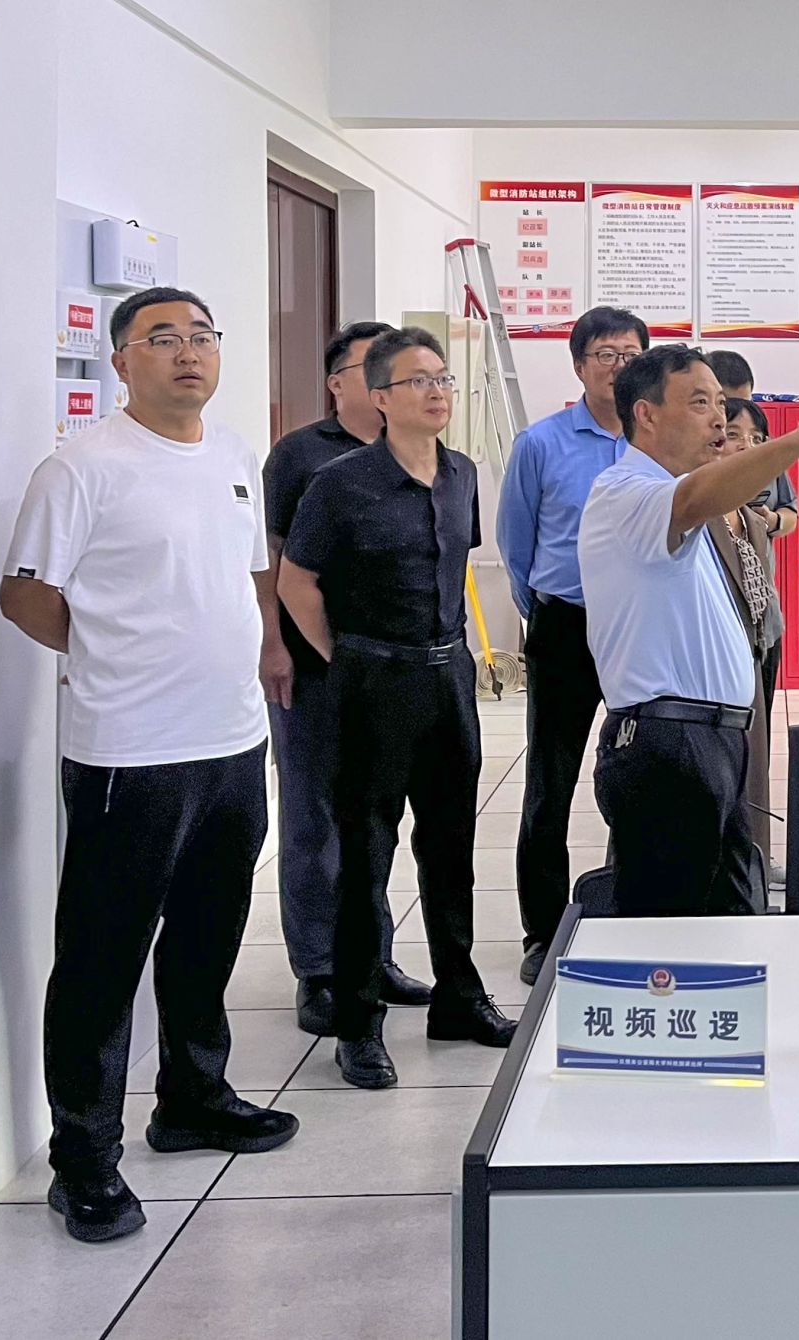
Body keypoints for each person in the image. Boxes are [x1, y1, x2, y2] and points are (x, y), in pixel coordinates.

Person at [0, 286, 297, 1243]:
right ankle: (84, 1159)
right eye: (162, 339)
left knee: (209, 934)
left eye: (201, 336)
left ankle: (193, 1097)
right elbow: (24, 595)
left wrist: (265, 646)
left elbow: (250, 574)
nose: (187, 353)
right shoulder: (82, 467)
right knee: (102, 957)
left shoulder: (235, 456)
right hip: (130, 750)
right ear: (122, 361)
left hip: (232, 741)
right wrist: (109, 652)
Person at [577, 346, 799, 916]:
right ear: (646, 414)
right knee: (673, 934)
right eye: (700, 403)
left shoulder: (682, 500)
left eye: (721, 405)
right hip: (668, 743)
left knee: (727, 917)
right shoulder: (625, 491)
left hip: (712, 740)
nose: (719, 421)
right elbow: (697, 497)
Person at [279, 327, 515, 1090]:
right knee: (364, 857)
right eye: (419, 381)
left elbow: (453, 566)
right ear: (380, 398)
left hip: (447, 679)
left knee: (450, 852)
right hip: (370, 682)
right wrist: (343, 656)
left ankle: (460, 998)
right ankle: (357, 1022)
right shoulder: (340, 483)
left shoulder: (461, 473)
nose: (438, 392)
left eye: (442, 379)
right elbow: (296, 581)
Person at [262, 320, 432, 1035]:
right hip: (313, 666)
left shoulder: (414, 453)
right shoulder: (299, 455)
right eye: (375, 366)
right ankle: (318, 971)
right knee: (313, 819)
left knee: (372, 822)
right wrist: (274, 644)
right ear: (339, 384)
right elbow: (272, 559)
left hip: (390, 671)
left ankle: (371, 957)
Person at [496, 306, 643, 986]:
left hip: (640, 628)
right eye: (605, 354)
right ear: (579, 365)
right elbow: (515, 543)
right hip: (565, 628)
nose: (619, 366)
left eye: (630, 354)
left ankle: (629, 907)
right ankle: (543, 932)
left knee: (640, 775)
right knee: (549, 785)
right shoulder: (542, 443)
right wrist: (546, 613)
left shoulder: (657, 441)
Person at [708, 398, 787, 871]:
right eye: (734, 435)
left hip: (759, 646)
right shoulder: (697, 511)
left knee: (755, 758)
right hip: (715, 660)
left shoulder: (751, 516)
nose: (746, 446)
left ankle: (751, 862)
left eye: (757, 439)